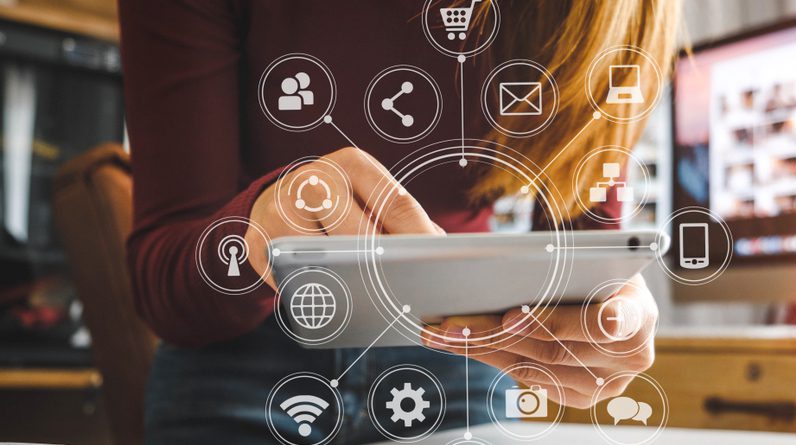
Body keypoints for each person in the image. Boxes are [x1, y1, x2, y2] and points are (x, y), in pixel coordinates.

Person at [118, 1, 681, 444]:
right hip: (237, 357)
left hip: (459, 355)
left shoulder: (609, 11)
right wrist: (255, 228)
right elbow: (162, 287)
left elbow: (587, 245)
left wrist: (606, 314)